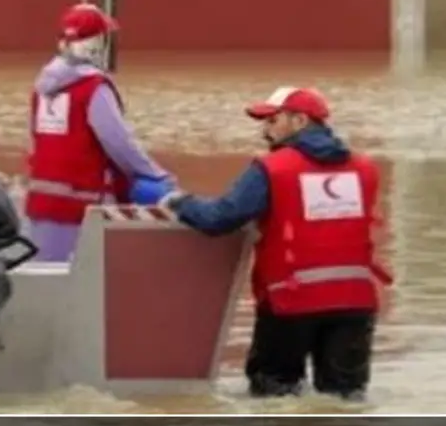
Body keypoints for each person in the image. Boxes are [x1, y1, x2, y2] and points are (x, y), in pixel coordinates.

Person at [158, 87, 393, 401]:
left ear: (298, 121)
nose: (264, 130)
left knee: (274, 399)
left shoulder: (272, 169)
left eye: (272, 120)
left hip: (290, 302)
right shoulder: (364, 170)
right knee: (346, 402)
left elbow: (221, 218)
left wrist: (177, 202)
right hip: (355, 303)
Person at [24, 3, 173, 261]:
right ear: (96, 44)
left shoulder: (42, 87)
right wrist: (157, 176)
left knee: (49, 284)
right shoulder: (94, 88)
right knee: (89, 289)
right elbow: (120, 144)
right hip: (84, 211)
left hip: (41, 206)